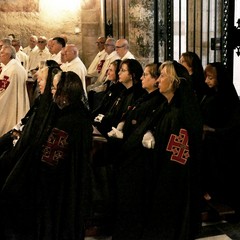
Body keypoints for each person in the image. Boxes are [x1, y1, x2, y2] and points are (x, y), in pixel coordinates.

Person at [0, 71, 93, 240]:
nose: (51, 90)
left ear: (64, 92)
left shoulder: (66, 121)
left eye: (54, 87)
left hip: (59, 187)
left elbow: (50, 160)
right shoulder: (80, 115)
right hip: (70, 183)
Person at [200, 62, 240, 214]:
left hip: (222, 142)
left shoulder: (228, 98)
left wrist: (213, 130)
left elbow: (233, 125)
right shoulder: (209, 94)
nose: (207, 81)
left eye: (210, 77)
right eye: (206, 77)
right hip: (209, 140)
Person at [94, 58, 146, 138]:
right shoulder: (123, 92)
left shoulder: (137, 95)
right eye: (119, 70)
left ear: (132, 74)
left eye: (123, 70)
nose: (118, 73)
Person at [0, 45, 30, 137]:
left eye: (2, 53)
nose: (0, 55)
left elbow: (2, 91)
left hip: (9, 103)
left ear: (9, 55)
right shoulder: (16, 66)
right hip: (15, 99)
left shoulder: (10, 70)